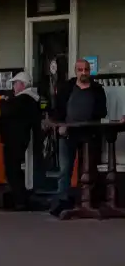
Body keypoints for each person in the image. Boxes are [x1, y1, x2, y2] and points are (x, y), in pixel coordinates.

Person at [49, 58, 108, 214]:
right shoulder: (66, 88)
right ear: (75, 71)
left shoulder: (97, 89)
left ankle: (89, 202)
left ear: (90, 71)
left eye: (86, 70)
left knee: (89, 168)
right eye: (80, 70)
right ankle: (61, 203)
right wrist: (60, 124)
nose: (83, 73)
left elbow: (102, 111)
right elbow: (58, 109)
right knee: (65, 169)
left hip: (89, 134)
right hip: (68, 133)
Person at [0, 72, 42, 210]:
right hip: (18, 138)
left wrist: (2, 101)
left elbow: (8, 110)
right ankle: (21, 198)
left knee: (12, 169)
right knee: (14, 169)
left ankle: (20, 200)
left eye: (15, 84)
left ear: (22, 84)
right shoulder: (28, 99)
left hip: (15, 139)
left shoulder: (24, 99)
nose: (14, 87)